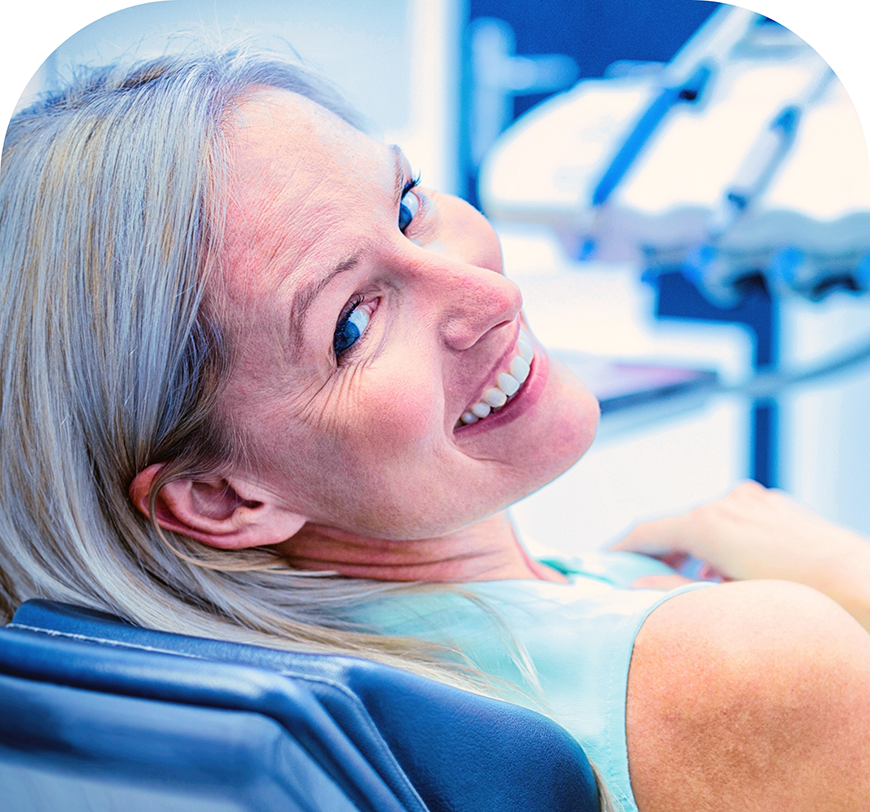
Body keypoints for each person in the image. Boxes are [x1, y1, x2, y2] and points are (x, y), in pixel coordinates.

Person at [1, 48, 869, 812]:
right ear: (223, 498)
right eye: (353, 323)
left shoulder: (296, 720)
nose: (494, 295)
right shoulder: (747, 667)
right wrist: (846, 578)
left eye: (409, 206)